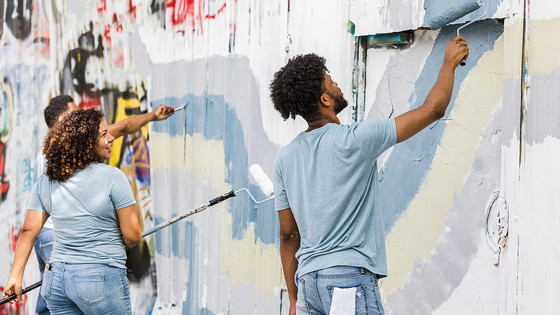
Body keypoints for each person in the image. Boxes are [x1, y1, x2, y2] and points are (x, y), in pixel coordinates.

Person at [270, 36, 469, 314]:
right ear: (325, 99)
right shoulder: (355, 140)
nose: (337, 84)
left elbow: (288, 235)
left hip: (308, 285)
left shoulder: (285, 158)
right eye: (331, 81)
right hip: (347, 282)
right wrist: (449, 63)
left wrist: (294, 300)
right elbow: (433, 109)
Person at [32, 95, 174, 314]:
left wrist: (153, 116)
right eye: (75, 113)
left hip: (47, 238)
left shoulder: (56, 150)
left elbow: (124, 127)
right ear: (63, 119)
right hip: (57, 237)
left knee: (50, 293)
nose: (81, 117)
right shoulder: (57, 156)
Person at [2, 109, 143, 314]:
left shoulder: (47, 181)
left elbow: (29, 231)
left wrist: (15, 277)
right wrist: (124, 242)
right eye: (103, 134)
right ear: (85, 143)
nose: (111, 138)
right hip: (100, 279)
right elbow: (133, 234)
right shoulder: (113, 177)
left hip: (58, 281)